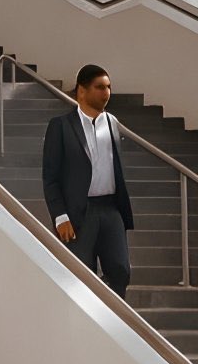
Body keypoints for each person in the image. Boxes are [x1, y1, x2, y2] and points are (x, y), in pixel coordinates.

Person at [43, 64, 136, 297]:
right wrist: (59, 215)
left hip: (111, 209)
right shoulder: (61, 126)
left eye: (109, 87)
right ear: (81, 91)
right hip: (78, 213)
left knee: (121, 269)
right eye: (99, 87)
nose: (106, 93)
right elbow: (50, 176)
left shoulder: (113, 123)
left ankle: (114, 324)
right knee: (81, 276)